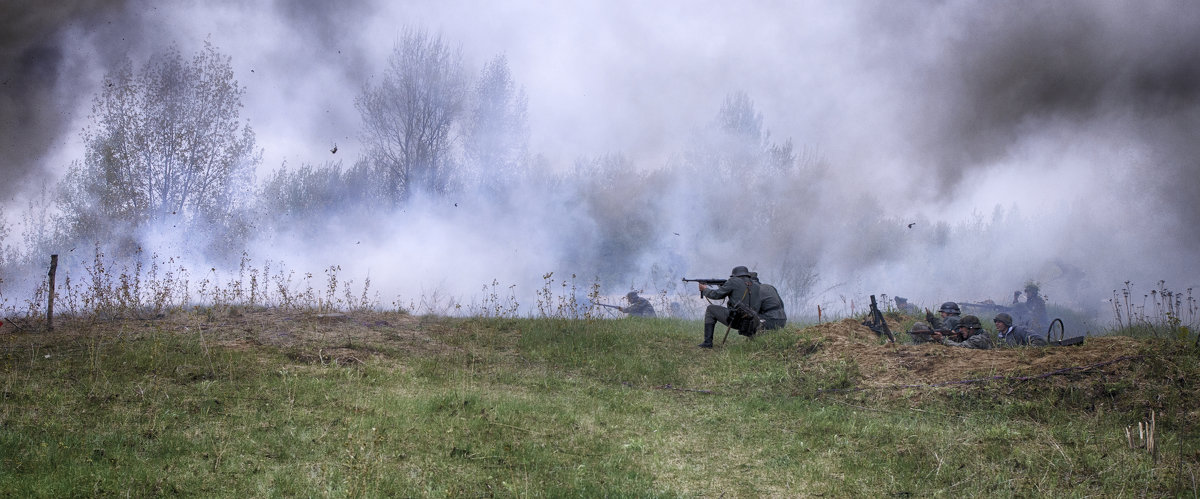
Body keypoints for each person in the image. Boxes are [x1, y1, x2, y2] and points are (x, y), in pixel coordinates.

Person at [695, 266, 761, 348]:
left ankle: (707, 343)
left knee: (710, 309)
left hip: (737, 321)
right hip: (753, 323)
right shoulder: (757, 285)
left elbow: (716, 295)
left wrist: (705, 290)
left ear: (734, 275)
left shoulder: (733, 281)